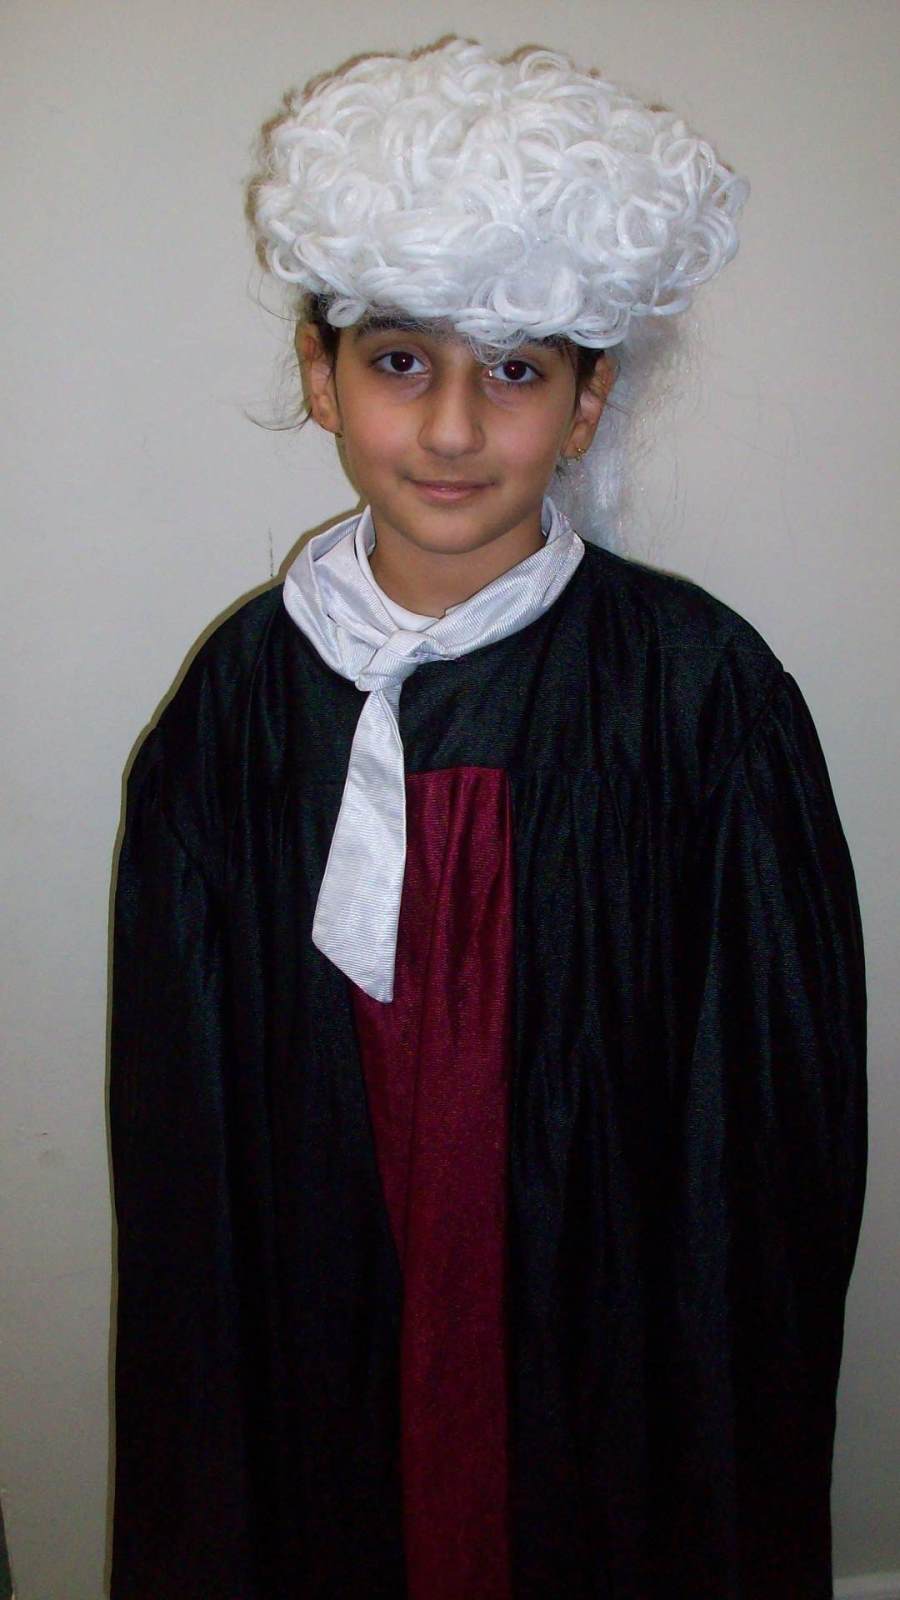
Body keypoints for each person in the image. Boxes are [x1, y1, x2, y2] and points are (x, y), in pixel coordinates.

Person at [108, 36, 867, 1600]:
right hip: (331, 1320)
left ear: (587, 404)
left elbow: (767, 1128)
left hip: (603, 1359)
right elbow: (189, 1132)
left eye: (516, 371)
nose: (454, 429)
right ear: (320, 374)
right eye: (402, 362)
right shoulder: (239, 710)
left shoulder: (698, 699)